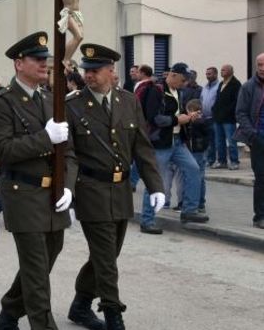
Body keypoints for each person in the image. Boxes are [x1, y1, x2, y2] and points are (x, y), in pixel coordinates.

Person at [64, 44, 164, 330]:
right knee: (106, 259)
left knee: (107, 254)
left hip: (120, 190)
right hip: (91, 189)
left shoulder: (128, 101)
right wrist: (68, 191)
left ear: (111, 71)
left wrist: (155, 185)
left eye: (96, 70)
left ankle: (80, 304)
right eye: (87, 70)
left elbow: (142, 147)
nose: (89, 75)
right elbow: (69, 154)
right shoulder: (73, 104)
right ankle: (113, 315)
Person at [0, 31, 74, 330]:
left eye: (45, 59)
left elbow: (69, 152)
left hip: (53, 196)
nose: (43, 64)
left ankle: (9, 313)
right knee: (37, 273)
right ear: (18, 63)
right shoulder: (2, 103)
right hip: (23, 193)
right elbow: (1, 151)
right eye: (37, 59)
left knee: (45, 260)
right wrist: (45, 138)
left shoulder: (51, 99)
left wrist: (69, 186)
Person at [139, 62, 208, 234]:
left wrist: (188, 117)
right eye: (183, 80)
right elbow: (153, 118)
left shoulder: (179, 91)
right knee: (156, 180)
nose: (185, 84)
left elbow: (177, 115)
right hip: (160, 143)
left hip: (177, 141)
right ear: (173, 75)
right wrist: (178, 120)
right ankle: (147, 220)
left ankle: (189, 211)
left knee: (193, 169)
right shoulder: (156, 90)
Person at [33, 0, 95, 67]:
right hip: (68, 14)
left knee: (80, 37)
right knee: (78, 35)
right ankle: (65, 59)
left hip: (77, 14)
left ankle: (67, 58)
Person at [234, 53, 264, 229]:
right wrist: (253, 134)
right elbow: (240, 113)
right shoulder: (248, 87)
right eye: (259, 65)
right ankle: (259, 217)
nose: (262, 68)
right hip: (259, 138)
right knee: (261, 178)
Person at [183, 99, 211, 213]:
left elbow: (194, 134)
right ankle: (200, 203)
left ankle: (199, 202)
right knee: (199, 177)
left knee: (198, 177)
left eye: (188, 112)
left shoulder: (198, 122)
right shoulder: (203, 121)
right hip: (199, 150)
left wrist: (192, 122)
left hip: (197, 151)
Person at [212, 64, 242, 170]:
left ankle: (234, 161)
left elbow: (236, 101)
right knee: (219, 141)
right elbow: (218, 98)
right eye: (221, 70)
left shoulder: (236, 84)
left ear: (230, 71)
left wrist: (227, 111)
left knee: (231, 141)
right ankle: (222, 161)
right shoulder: (221, 84)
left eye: (224, 70)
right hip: (218, 117)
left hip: (229, 118)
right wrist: (214, 109)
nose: (221, 72)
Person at [199, 67, 220, 166]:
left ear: (215, 74)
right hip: (205, 118)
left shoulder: (219, 87)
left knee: (215, 141)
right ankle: (209, 159)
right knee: (208, 140)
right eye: (207, 74)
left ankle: (217, 160)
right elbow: (201, 100)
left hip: (214, 118)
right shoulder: (205, 87)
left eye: (210, 74)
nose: (207, 76)